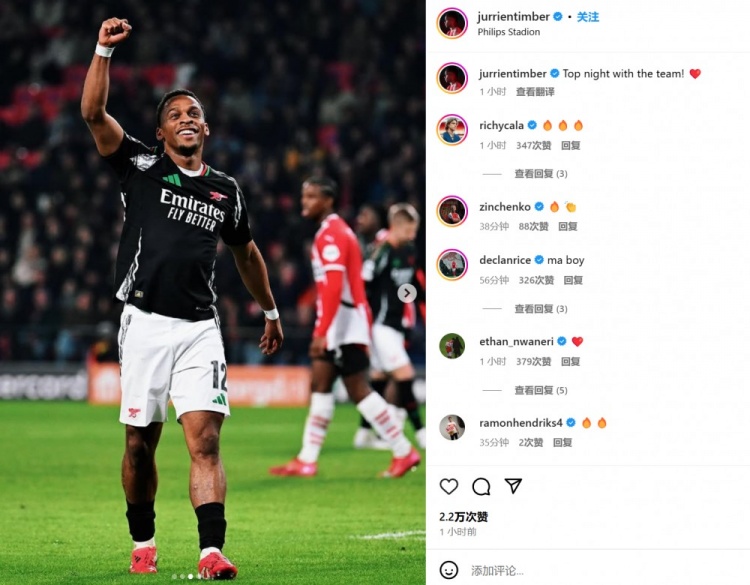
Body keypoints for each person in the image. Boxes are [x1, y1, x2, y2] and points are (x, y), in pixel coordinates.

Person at [81, 17, 284, 580]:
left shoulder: (226, 190)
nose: (186, 118)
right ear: (161, 133)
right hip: (144, 322)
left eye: (193, 112)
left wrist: (270, 310)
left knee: (206, 441)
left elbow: (247, 254)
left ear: (206, 128)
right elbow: (93, 114)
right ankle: (143, 541)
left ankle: (211, 551)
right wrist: (102, 50)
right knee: (139, 445)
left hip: (199, 327)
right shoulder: (141, 166)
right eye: (174, 115)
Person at [269, 177, 420, 478]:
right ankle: (307, 459)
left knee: (358, 389)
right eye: (304, 196)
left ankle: (404, 450)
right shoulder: (333, 231)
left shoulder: (333, 234)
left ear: (328, 200)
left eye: (312, 196)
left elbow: (334, 286)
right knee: (321, 384)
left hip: (344, 323)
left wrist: (322, 331)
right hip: (343, 320)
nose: (305, 202)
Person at [354, 203, 426, 450]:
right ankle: (420, 432)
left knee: (379, 378)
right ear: (396, 226)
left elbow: (409, 287)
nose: (413, 235)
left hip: (397, 325)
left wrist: (411, 308)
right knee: (404, 375)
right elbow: (363, 286)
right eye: (409, 230)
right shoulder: (380, 251)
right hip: (380, 325)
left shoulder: (408, 251)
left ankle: (364, 433)